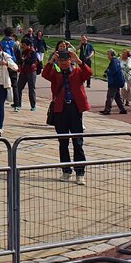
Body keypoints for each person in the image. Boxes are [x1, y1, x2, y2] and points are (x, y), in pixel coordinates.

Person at [42, 41, 93, 183]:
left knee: (77, 142)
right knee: (63, 142)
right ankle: (66, 170)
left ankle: (80, 172)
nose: (64, 62)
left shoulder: (76, 71)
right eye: (61, 59)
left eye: (66, 59)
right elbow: (45, 74)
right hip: (60, 109)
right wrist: (51, 61)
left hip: (75, 109)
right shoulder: (55, 73)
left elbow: (89, 73)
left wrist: (79, 60)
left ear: (70, 60)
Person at [14, 31, 38, 113]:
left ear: (28, 45)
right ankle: (18, 104)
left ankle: (33, 105)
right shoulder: (22, 52)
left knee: (31, 89)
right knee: (18, 88)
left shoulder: (33, 52)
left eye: (24, 45)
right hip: (23, 72)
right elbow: (19, 60)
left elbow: (33, 61)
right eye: (22, 45)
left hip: (31, 72)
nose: (22, 46)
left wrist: (25, 60)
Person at [101, 50, 128, 115]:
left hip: (114, 82)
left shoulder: (114, 61)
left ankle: (107, 110)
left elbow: (113, 70)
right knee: (117, 97)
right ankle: (123, 109)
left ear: (112, 55)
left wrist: (107, 73)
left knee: (110, 96)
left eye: (108, 54)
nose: (108, 56)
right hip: (116, 81)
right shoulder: (115, 61)